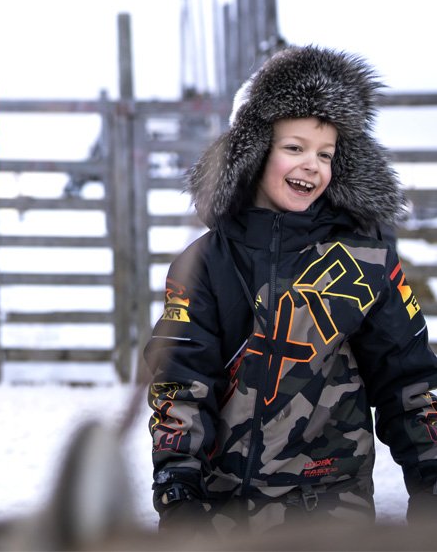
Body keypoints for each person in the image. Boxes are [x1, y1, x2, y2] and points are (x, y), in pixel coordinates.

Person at [145, 45, 437, 538]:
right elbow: (180, 382)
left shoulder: (364, 262)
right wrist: (178, 491)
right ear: (254, 149)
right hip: (226, 514)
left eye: (326, 154)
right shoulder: (206, 263)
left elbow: (407, 380)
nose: (312, 166)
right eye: (294, 147)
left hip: (332, 510)